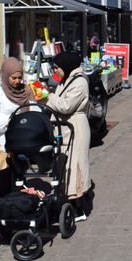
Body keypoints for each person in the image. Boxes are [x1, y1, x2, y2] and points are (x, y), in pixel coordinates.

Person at [47, 52, 91, 221]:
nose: (55, 71)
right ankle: (75, 203)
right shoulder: (67, 79)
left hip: (76, 128)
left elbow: (66, 106)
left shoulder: (79, 82)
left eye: (57, 68)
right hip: (66, 128)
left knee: (76, 167)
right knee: (67, 167)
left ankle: (79, 210)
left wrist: (50, 97)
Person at [0, 57, 34, 169]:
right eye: (13, 78)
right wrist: (8, 121)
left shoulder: (26, 90)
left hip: (24, 141)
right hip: (5, 141)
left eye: (20, 78)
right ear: (6, 76)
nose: (17, 81)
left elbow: (35, 111)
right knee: (6, 175)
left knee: (22, 176)